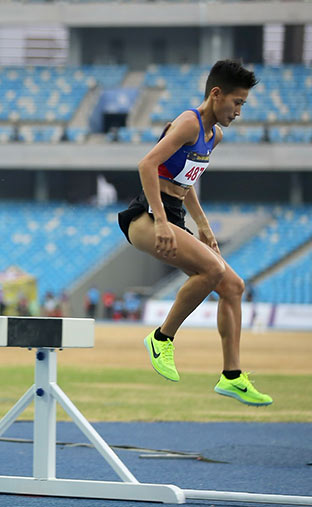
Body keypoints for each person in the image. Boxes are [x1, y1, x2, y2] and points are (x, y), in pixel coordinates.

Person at [117, 60, 272, 406]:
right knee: (213, 269)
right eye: (237, 102)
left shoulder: (213, 135)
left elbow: (185, 185)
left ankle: (232, 375)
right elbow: (147, 165)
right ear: (216, 94)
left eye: (243, 104)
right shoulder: (189, 123)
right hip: (144, 217)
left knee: (233, 286)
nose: (239, 111)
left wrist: (203, 226)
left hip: (172, 216)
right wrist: (159, 220)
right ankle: (161, 338)